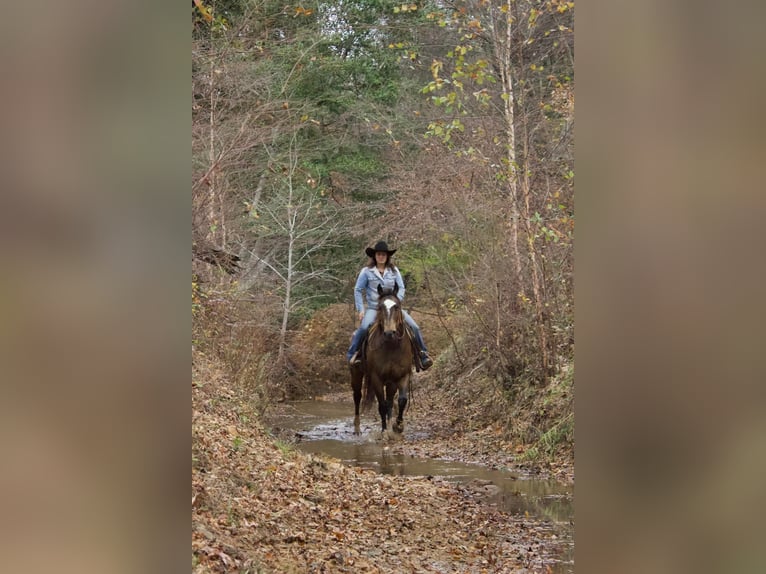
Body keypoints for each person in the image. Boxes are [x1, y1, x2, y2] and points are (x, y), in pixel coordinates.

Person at [346, 240, 433, 370]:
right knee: (364, 327)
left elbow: (401, 287)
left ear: (387, 256)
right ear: (374, 256)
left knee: (414, 326)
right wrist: (360, 309)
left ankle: (422, 354)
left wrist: (396, 301)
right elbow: (358, 290)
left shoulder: (394, 271)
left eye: (384, 255)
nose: (381, 257)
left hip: (392, 308)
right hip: (375, 308)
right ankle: (354, 355)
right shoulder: (366, 272)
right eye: (379, 254)